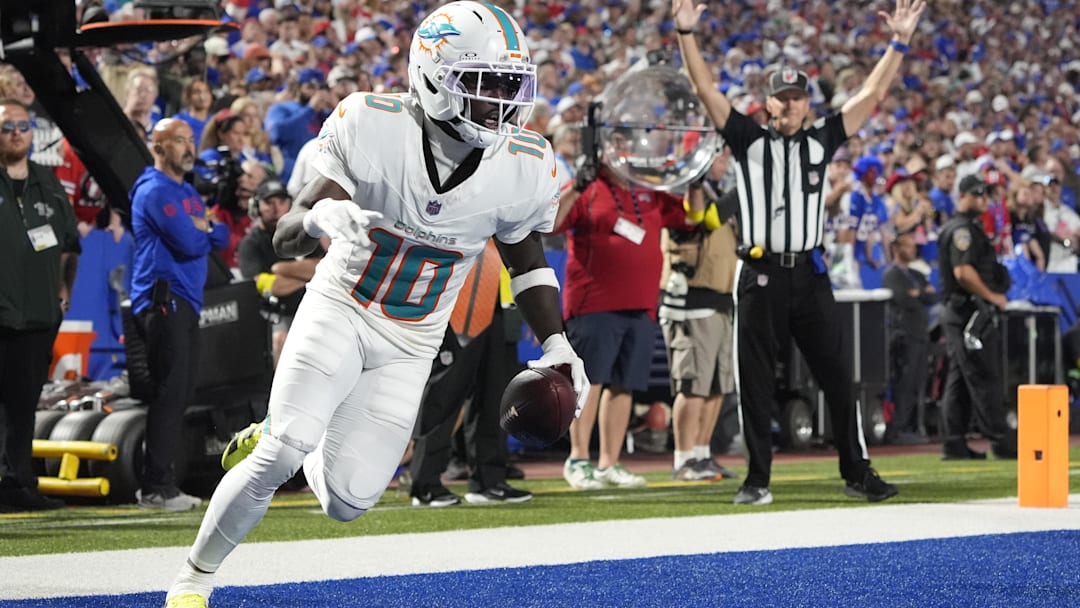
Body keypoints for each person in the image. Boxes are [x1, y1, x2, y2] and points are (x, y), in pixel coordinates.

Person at [163, 3, 588, 605]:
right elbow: (286, 233)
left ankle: (295, 425)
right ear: (433, 75)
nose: (499, 100)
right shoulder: (370, 122)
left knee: (347, 501)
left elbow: (527, 258)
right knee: (283, 451)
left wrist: (556, 342)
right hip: (342, 305)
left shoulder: (525, 164)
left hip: (411, 342)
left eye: (509, 85)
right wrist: (317, 215)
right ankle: (191, 582)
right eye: (483, 82)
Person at [674, 0, 922, 505]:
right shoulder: (747, 138)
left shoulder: (823, 138)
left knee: (837, 376)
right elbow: (705, 89)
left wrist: (899, 42)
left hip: (809, 275)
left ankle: (857, 472)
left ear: (808, 103)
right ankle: (758, 479)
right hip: (761, 272)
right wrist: (685, 33)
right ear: (766, 104)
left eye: (797, 98)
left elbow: (872, 93)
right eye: (781, 98)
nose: (789, 106)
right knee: (757, 381)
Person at [555, 143, 685, 491]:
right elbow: (552, 222)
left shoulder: (648, 191)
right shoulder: (589, 187)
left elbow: (690, 215)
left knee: (624, 385)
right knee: (590, 382)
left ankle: (609, 463)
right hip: (594, 303)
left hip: (640, 305)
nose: (625, 157)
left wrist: (681, 174)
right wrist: (578, 186)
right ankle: (578, 459)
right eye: (617, 151)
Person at [130, 118, 230, 511]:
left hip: (185, 301)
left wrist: (202, 226)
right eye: (178, 141)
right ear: (158, 147)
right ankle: (155, 486)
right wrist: (202, 227)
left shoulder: (186, 191)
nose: (189, 148)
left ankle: (162, 482)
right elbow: (191, 242)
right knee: (169, 394)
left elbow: (220, 235)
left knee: (181, 393)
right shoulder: (154, 191)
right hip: (163, 300)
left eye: (191, 140)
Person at [0, 99, 80, 512]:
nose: (15, 132)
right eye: (6, 127)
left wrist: (64, 290)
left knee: (23, 403)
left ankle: (19, 486)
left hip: (37, 317)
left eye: (22, 125)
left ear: (32, 133)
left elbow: (69, 246)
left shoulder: (49, 183)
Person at [408, 242, 531, 506]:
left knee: (494, 395)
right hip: (459, 298)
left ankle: (489, 480)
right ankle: (425, 483)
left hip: (499, 300)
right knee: (444, 392)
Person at [659, 155, 739, 482]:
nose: (726, 160)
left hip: (719, 297)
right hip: (691, 299)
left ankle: (702, 454)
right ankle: (683, 458)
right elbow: (700, 219)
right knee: (692, 385)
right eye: (719, 154)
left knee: (717, 385)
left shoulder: (713, 188)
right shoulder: (684, 187)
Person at [937, 174, 1016, 461]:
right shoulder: (962, 231)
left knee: (959, 380)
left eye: (985, 194)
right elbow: (963, 273)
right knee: (984, 376)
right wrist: (992, 296)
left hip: (962, 312)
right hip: (968, 313)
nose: (983, 199)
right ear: (963, 196)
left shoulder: (967, 228)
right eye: (977, 194)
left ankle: (954, 443)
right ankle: (1001, 440)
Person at [236, 177, 322, 368]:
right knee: (280, 339)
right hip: (274, 313)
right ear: (256, 207)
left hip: (313, 306)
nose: (276, 209)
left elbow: (322, 267)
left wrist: (281, 269)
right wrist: (308, 278)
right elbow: (269, 285)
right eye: (269, 202)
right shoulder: (251, 244)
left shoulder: (304, 234)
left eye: (281, 201)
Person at [881, 231, 934, 445]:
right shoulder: (892, 274)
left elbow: (932, 295)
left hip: (920, 333)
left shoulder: (916, 274)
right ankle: (897, 428)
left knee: (917, 383)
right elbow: (903, 299)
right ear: (896, 248)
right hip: (905, 334)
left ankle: (911, 425)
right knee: (904, 382)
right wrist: (921, 294)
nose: (912, 250)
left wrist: (918, 293)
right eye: (908, 246)